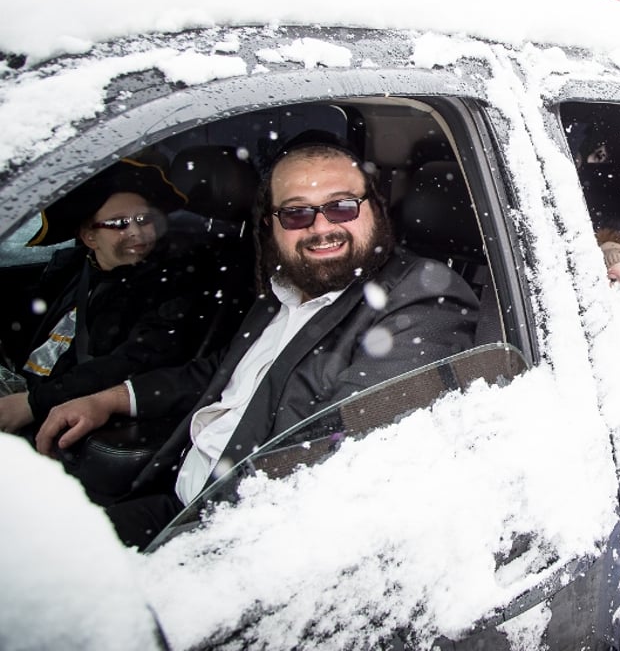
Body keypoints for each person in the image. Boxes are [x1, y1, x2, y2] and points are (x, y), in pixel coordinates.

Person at [36, 138, 479, 549]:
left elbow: (344, 456)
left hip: (239, 538)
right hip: (177, 502)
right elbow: (222, 373)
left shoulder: (423, 297)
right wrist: (111, 400)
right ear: (272, 225)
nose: (321, 228)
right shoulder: (286, 284)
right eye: (296, 213)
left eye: (341, 206)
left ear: (375, 210)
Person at [0, 158, 203, 438]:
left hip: (58, 414)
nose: (136, 232)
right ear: (89, 237)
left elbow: (132, 361)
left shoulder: (170, 284)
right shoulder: (70, 268)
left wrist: (32, 403)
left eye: (143, 220)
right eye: (120, 223)